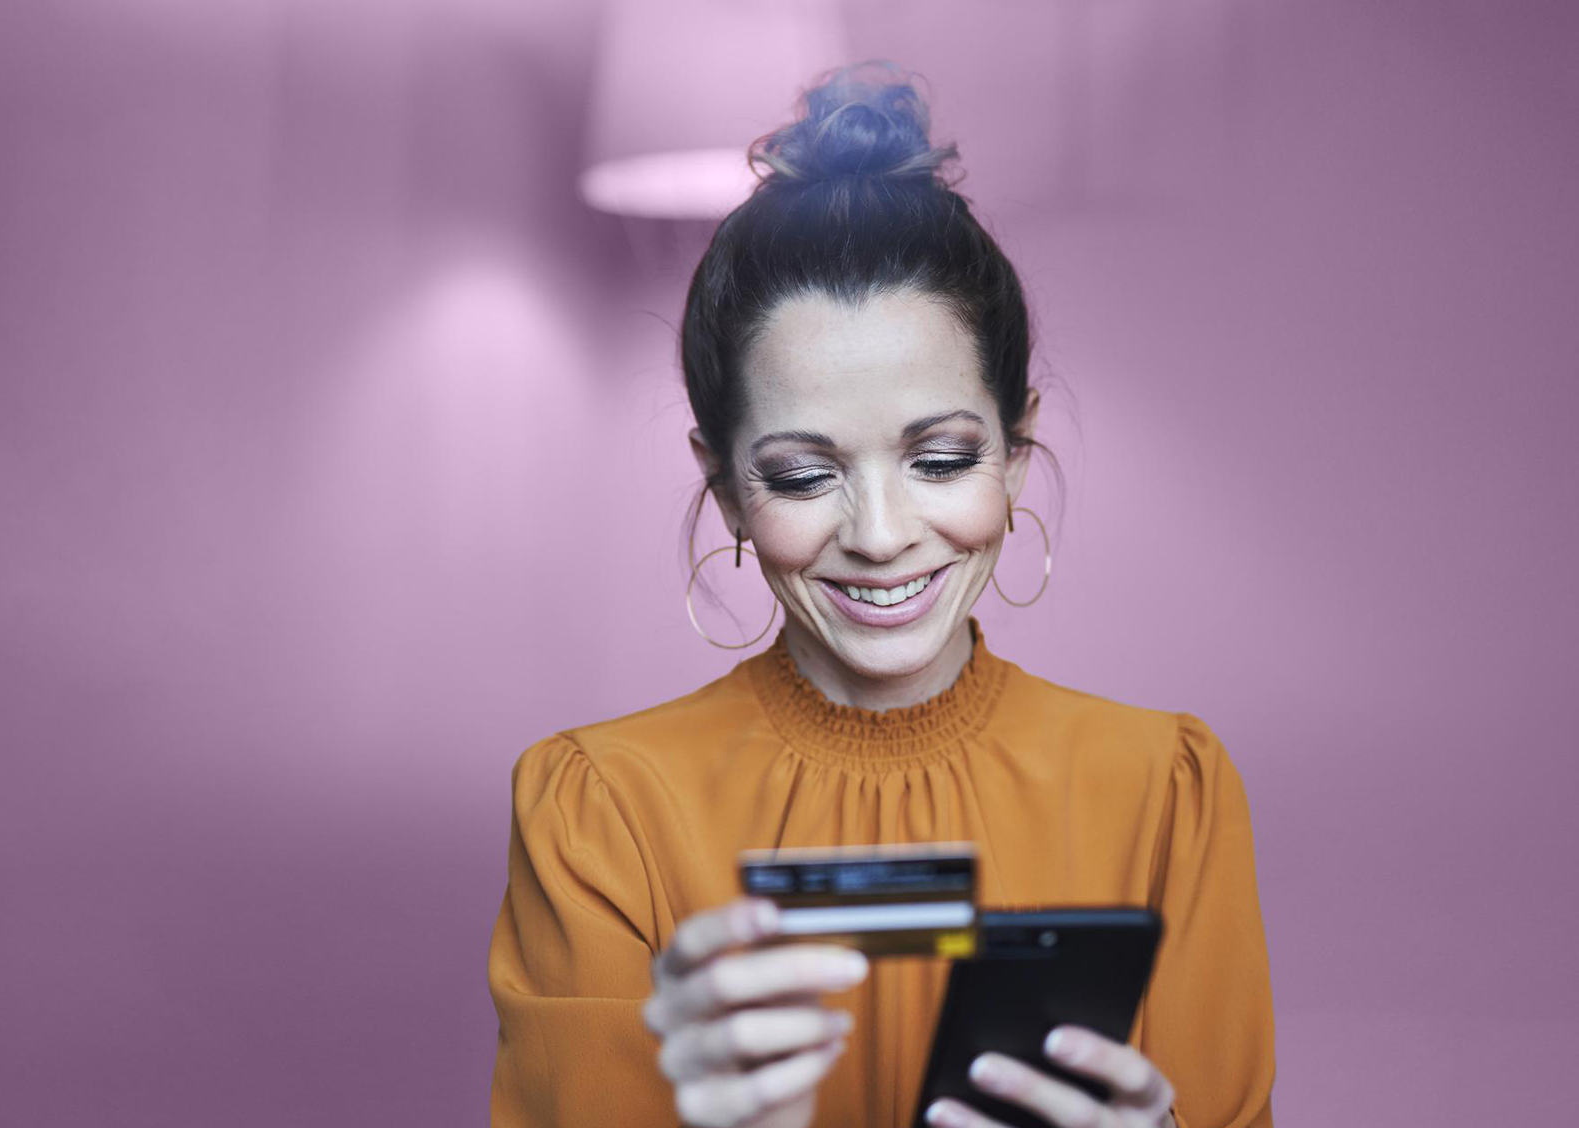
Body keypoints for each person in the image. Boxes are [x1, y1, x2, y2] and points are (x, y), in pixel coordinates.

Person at [487, 60, 1275, 1128]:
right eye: (804, 476)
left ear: (1016, 451)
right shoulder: (599, 813)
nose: (878, 535)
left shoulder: (1165, 792)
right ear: (724, 489)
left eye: (941, 460)